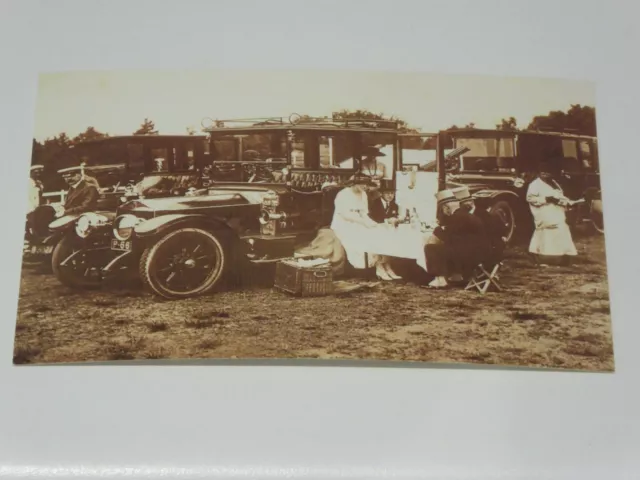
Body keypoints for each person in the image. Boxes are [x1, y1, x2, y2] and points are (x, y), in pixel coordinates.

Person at [330, 175, 399, 281]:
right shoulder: (343, 194)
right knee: (366, 237)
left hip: (359, 223)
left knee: (381, 232)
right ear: (354, 183)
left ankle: (386, 265)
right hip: (344, 225)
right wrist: (364, 223)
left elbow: (364, 214)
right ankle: (378, 267)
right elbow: (345, 215)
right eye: (362, 184)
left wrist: (374, 224)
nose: (364, 186)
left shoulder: (363, 194)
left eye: (366, 184)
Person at [424, 189, 490, 289]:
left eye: (442, 208)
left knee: (430, 248)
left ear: (446, 207)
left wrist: (437, 230)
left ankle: (440, 279)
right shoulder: (464, 215)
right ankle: (456, 275)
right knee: (446, 248)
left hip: (472, 254)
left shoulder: (457, 217)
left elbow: (448, 237)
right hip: (479, 251)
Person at [526, 163, 578, 266]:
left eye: (547, 172)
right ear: (539, 173)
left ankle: (564, 257)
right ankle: (541, 258)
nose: (545, 174)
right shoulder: (534, 184)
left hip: (557, 211)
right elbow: (530, 199)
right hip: (544, 212)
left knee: (562, 230)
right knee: (548, 233)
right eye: (543, 172)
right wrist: (546, 199)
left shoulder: (553, 183)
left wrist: (568, 202)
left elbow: (560, 196)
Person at [454, 186, 507, 264]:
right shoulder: (458, 214)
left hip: (481, 248)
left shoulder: (486, 216)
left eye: (460, 204)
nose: (458, 207)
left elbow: (495, 235)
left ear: (470, 202)